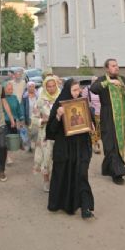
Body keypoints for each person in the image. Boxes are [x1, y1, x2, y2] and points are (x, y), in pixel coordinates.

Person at [46, 78, 94, 219]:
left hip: (81, 147)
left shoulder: (82, 103)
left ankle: (85, 207)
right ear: (68, 90)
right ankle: (60, 203)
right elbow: (51, 130)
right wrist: (58, 116)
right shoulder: (60, 105)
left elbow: (89, 122)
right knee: (63, 175)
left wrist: (91, 124)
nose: (77, 92)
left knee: (82, 174)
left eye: (78, 89)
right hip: (65, 148)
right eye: (74, 90)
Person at [90, 58, 125, 185]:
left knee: (118, 144)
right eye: (113, 66)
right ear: (107, 69)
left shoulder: (122, 79)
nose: (116, 67)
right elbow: (93, 88)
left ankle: (108, 168)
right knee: (110, 144)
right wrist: (109, 82)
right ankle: (117, 173)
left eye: (117, 65)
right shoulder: (102, 79)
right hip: (108, 116)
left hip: (121, 118)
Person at [33, 76, 60, 192]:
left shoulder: (61, 98)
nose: (51, 88)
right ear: (45, 87)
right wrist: (42, 120)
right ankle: (46, 181)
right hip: (45, 135)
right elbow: (33, 118)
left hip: (59, 134)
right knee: (46, 158)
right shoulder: (40, 100)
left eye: (53, 86)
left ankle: (57, 181)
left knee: (59, 158)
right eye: (49, 86)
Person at [3, 80, 24, 165]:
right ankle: (7, 158)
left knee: (12, 139)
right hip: (3, 122)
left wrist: (21, 118)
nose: (11, 91)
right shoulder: (1, 99)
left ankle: (8, 156)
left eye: (11, 89)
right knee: (5, 139)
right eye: (9, 89)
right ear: (4, 89)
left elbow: (18, 108)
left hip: (13, 122)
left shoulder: (14, 97)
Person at [82, 77, 101, 154]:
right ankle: (95, 145)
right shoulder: (87, 89)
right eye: (94, 81)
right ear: (92, 82)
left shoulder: (101, 89)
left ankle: (96, 142)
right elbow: (83, 100)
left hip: (102, 113)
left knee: (99, 130)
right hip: (92, 113)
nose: (96, 82)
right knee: (93, 129)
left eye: (97, 81)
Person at [23, 81, 39, 152]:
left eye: (33, 86)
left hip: (36, 117)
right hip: (28, 117)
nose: (31, 88)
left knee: (36, 132)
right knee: (28, 132)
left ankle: (36, 147)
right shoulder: (25, 97)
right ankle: (29, 146)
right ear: (27, 88)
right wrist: (22, 118)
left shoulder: (38, 96)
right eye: (30, 86)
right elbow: (23, 107)